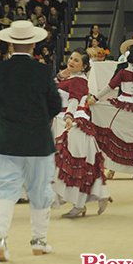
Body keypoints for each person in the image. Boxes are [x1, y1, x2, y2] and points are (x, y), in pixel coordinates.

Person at [0, 20, 61, 262]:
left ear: (10, 43)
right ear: (34, 44)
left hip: (7, 140)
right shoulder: (44, 71)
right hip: (38, 140)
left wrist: (1, 120)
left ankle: (0, 238)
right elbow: (56, 104)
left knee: (4, 189)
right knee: (40, 189)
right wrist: (40, 118)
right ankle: (39, 241)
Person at [88, 40, 133, 179]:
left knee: (118, 134)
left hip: (122, 104)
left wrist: (95, 99)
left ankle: (119, 167)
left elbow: (109, 87)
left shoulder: (122, 71)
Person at [52, 48, 111, 218]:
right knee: (75, 166)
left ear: (84, 66)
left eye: (76, 60)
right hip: (67, 121)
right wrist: (60, 76)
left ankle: (80, 205)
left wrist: (70, 116)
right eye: (71, 58)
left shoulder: (78, 80)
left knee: (73, 166)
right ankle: (94, 196)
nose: (71, 62)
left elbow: (74, 100)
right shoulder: (73, 78)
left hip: (74, 124)